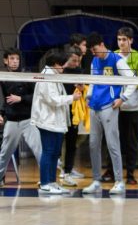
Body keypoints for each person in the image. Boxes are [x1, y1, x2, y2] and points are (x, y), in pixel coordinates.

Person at [82, 34, 135, 196]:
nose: (94, 53)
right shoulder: (95, 60)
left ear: (102, 44)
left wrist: (123, 98)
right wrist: (89, 96)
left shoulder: (117, 60)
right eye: (91, 51)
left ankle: (119, 182)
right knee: (93, 144)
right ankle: (96, 181)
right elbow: (93, 81)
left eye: (95, 49)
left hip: (109, 106)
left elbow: (133, 79)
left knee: (113, 144)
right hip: (94, 106)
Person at [30, 49, 83, 194]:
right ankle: (45, 183)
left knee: (54, 153)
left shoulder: (54, 74)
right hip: (47, 121)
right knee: (48, 152)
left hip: (56, 122)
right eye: (62, 64)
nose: (64, 66)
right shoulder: (46, 76)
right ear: (55, 63)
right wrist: (72, 98)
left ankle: (52, 182)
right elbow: (52, 99)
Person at [111, 27, 138, 185]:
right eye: (119, 39)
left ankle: (130, 173)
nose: (121, 42)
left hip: (132, 106)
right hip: (114, 105)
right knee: (113, 140)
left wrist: (128, 83)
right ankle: (111, 171)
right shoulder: (112, 55)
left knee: (131, 141)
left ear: (131, 40)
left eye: (124, 39)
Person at [0, 48, 42, 182]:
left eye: (17, 59)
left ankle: (46, 180)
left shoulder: (26, 76)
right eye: (12, 58)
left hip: (28, 120)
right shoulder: (3, 77)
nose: (15, 62)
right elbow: (4, 100)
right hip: (12, 122)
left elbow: (36, 96)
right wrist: (1, 113)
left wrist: (21, 98)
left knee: (39, 150)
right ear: (5, 60)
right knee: (4, 153)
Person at [59, 44, 87, 186]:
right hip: (59, 112)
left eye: (78, 61)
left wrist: (82, 89)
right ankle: (51, 174)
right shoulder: (59, 71)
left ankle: (67, 172)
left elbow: (85, 91)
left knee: (71, 143)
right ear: (67, 58)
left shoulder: (80, 72)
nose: (76, 64)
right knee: (56, 144)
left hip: (74, 113)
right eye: (74, 60)